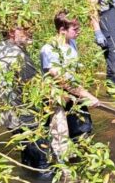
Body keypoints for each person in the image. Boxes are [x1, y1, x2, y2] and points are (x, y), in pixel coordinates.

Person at [40, 11, 101, 162]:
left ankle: (84, 163)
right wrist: (88, 96)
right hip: (58, 97)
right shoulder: (49, 50)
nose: (78, 32)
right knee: (60, 139)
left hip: (75, 94)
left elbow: (73, 72)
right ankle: (65, 175)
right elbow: (63, 80)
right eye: (75, 29)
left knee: (83, 129)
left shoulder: (72, 42)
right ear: (62, 30)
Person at [0, 24, 49, 170]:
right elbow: (35, 84)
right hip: (23, 115)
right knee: (41, 159)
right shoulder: (17, 55)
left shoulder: (1, 47)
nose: (30, 32)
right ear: (11, 32)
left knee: (27, 156)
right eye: (25, 30)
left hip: (7, 113)